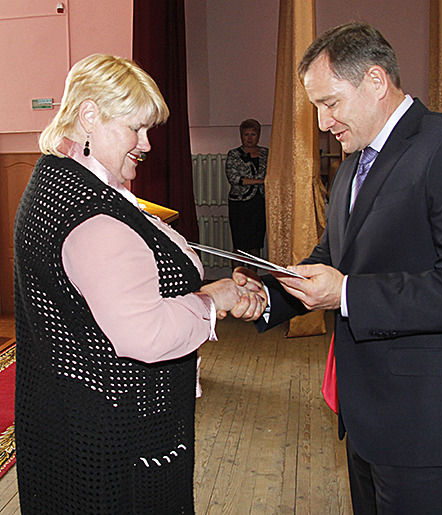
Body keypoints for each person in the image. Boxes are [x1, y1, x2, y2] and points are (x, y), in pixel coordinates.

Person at [235, 22, 442, 515]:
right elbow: (333, 258)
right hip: (369, 415)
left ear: (375, 81)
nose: (322, 122)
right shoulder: (353, 163)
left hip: (433, 422)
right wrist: (266, 298)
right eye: (316, 106)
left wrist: (346, 294)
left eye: (330, 103)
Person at [13, 54, 267, 515]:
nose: (146, 144)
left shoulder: (59, 176)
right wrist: (211, 300)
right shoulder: (91, 213)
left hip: (67, 413)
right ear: (90, 115)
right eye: (136, 128)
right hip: (113, 433)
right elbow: (145, 334)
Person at [225, 118, 268, 259]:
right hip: (240, 205)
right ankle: (237, 273)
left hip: (259, 203)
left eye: (253, 134)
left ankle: (253, 273)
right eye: (246, 134)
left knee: (256, 244)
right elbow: (233, 178)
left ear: (258, 135)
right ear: (241, 135)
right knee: (239, 245)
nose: (249, 138)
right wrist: (260, 181)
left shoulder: (266, 153)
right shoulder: (233, 154)